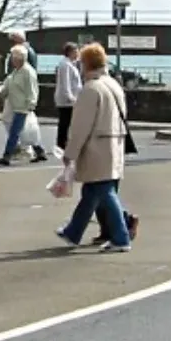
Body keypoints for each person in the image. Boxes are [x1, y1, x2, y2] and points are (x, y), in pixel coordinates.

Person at [56, 42, 133, 253]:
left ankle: (121, 237)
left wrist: (70, 153)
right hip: (115, 143)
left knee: (103, 190)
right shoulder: (114, 85)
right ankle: (73, 232)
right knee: (92, 192)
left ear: (86, 64)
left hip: (97, 147)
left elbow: (80, 127)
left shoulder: (90, 89)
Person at [0, 44, 48, 166]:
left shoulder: (28, 72)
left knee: (15, 132)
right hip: (15, 106)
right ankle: (40, 152)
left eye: (13, 57)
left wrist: (31, 104)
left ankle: (6, 156)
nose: (12, 60)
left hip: (23, 107)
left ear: (20, 58)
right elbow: (8, 85)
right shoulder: (16, 71)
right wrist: (1, 91)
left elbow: (32, 90)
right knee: (27, 132)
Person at [54, 42, 83, 152]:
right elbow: (65, 83)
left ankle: (63, 142)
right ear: (70, 52)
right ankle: (61, 144)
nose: (78, 53)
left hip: (70, 99)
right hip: (67, 101)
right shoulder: (65, 65)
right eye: (76, 51)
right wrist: (70, 97)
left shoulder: (70, 64)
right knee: (65, 122)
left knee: (66, 122)